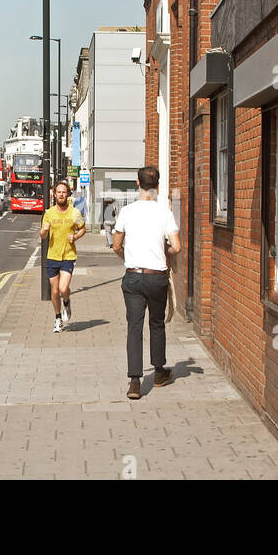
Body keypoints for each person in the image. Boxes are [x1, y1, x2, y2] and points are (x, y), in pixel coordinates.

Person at [112, 165, 181, 399]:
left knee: (134, 327)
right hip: (156, 277)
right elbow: (177, 246)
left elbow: (116, 245)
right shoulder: (165, 213)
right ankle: (159, 372)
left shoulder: (127, 212)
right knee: (157, 324)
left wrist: (128, 258)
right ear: (158, 186)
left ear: (138, 183)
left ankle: (134, 382)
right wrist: (163, 250)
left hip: (133, 276)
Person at [40, 180, 85, 332]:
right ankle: (58, 317)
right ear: (54, 194)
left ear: (68, 194)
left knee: (63, 287)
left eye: (64, 192)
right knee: (54, 291)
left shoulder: (74, 212)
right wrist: (45, 230)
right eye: (58, 192)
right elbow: (42, 234)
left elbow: (82, 228)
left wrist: (76, 237)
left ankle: (66, 301)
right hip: (52, 256)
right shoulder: (49, 213)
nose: (61, 194)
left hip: (68, 255)